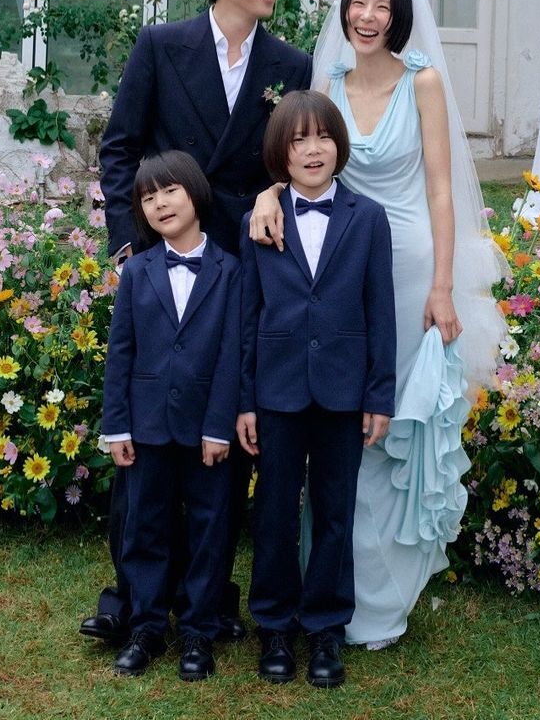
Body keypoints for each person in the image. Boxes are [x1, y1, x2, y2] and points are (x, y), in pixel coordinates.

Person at [250, 0, 506, 649]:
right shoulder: (326, 82)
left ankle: (381, 595)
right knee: (337, 414)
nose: (367, 17)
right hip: (337, 265)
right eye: (358, 4)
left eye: (381, 7)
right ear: (345, 12)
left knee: (388, 422)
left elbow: (441, 188)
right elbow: (298, 156)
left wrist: (443, 284)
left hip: (411, 266)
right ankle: (327, 588)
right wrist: (267, 194)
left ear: (398, 17)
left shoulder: (422, 82)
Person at [81, 0, 311, 646]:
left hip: (240, 267)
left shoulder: (290, 63)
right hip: (158, 261)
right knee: (149, 431)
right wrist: (129, 245)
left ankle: (208, 595)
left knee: (225, 425)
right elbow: (120, 149)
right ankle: (131, 595)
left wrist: (273, 192)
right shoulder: (161, 45)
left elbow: (290, 159)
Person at [238, 90, 397, 687]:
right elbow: (247, 316)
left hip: (342, 390)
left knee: (335, 510)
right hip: (276, 390)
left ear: (339, 146)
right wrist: (244, 401)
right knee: (275, 510)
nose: (312, 149)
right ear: (281, 152)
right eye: (299, 139)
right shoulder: (259, 218)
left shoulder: (368, 218)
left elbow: (380, 311)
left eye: (323, 137)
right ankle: (274, 625)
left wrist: (378, 394)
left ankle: (326, 628)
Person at [101, 151, 241, 679]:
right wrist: (117, 425)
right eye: (147, 196)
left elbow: (231, 355)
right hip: (147, 427)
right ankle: (147, 627)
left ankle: (199, 631)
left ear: (195, 193)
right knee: (145, 527)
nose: (159, 203)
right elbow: (121, 353)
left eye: (169, 190)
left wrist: (219, 426)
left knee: (209, 529)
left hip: (206, 430)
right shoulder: (137, 271)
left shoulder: (230, 271)